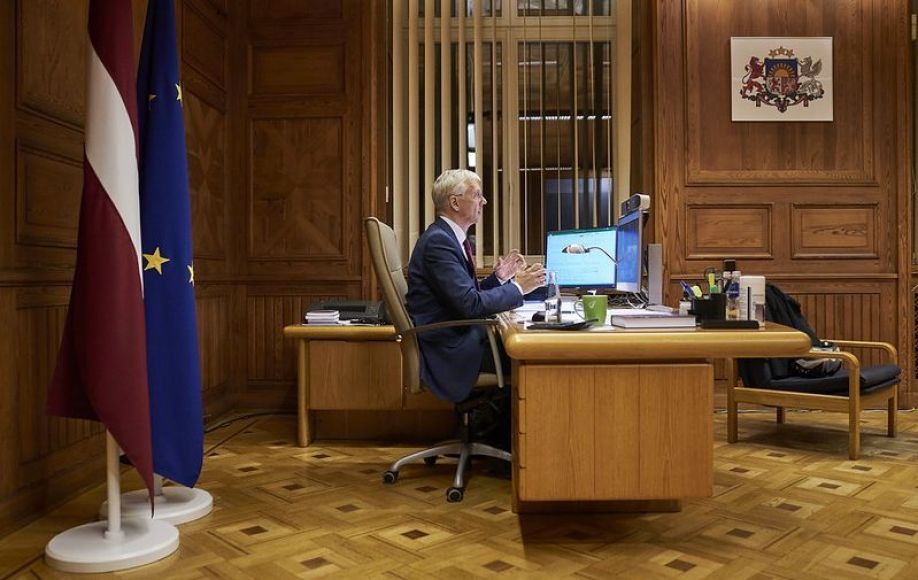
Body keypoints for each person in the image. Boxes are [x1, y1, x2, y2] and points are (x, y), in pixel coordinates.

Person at [406, 169, 545, 405]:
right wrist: (518, 288)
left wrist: (499, 278)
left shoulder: (447, 238)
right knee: (535, 355)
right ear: (455, 202)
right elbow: (470, 305)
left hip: (460, 338)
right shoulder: (439, 242)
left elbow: (465, 296)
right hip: (451, 351)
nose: (484, 201)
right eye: (477, 194)